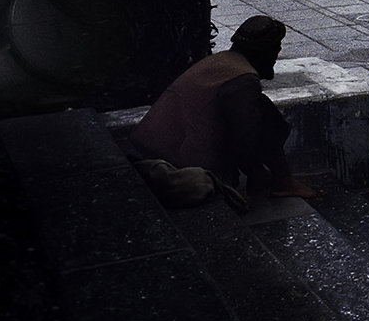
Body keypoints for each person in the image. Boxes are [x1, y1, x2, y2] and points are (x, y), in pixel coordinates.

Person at [130, 16, 318, 199]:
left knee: (262, 108)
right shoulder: (243, 80)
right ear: (265, 52)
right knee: (266, 117)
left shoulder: (222, 61)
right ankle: (284, 182)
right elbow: (245, 136)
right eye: (276, 49)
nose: (277, 55)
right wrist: (256, 171)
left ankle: (283, 180)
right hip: (174, 168)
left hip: (151, 151)